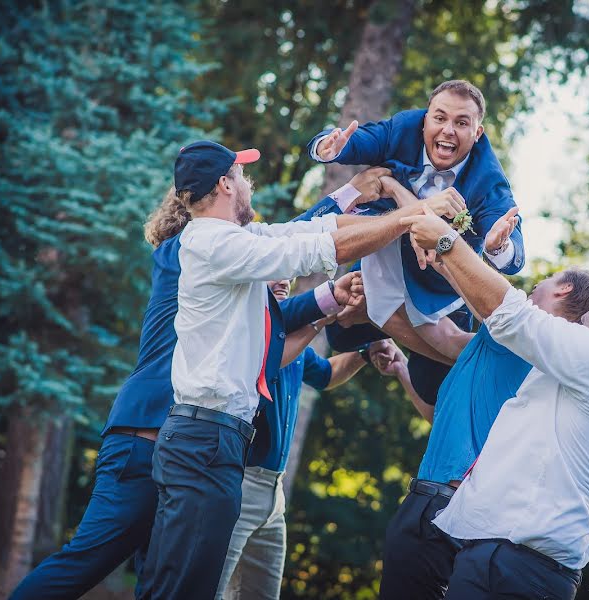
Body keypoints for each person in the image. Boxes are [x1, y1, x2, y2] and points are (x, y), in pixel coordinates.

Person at [7, 166, 382, 600]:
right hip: (145, 438)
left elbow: (275, 310)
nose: (242, 185)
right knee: (86, 560)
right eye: (235, 177)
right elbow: (294, 238)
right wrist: (352, 192)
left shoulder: (223, 271)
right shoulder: (184, 252)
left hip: (175, 448)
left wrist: (329, 297)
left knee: (161, 580)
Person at [138, 141, 463, 599]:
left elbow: (323, 227)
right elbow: (326, 246)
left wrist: (396, 216)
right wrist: (414, 216)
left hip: (215, 440)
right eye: (242, 174)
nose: (247, 183)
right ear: (225, 184)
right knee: (184, 589)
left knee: (184, 584)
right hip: (204, 441)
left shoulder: (234, 239)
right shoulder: (211, 241)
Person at [402, 205, 589, 599]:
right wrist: (449, 265)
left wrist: (448, 244)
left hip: (516, 564)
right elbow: (502, 321)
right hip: (507, 558)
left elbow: (515, 317)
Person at [378, 264, 589, 599]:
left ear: (564, 290)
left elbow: (469, 291)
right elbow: (439, 407)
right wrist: (401, 368)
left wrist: (433, 248)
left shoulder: (513, 331)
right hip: (475, 524)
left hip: (439, 507)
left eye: (548, 279)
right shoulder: (533, 361)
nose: (535, 286)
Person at [305, 80, 525, 403]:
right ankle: (377, 326)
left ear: (477, 134)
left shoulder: (487, 179)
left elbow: (515, 252)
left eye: (462, 123)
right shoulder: (403, 129)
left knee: (432, 385)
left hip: (436, 287)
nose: (448, 130)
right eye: (440, 118)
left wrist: (498, 247)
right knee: (340, 332)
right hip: (387, 256)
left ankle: (514, 361)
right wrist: (331, 147)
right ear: (426, 119)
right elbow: (362, 140)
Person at [214, 279, 398, 600]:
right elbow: (272, 352)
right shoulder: (247, 319)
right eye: (274, 270)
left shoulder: (292, 338)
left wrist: (365, 353)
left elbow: (326, 374)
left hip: (274, 496)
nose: (284, 279)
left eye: (289, 273)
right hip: (238, 483)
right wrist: (323, 315)